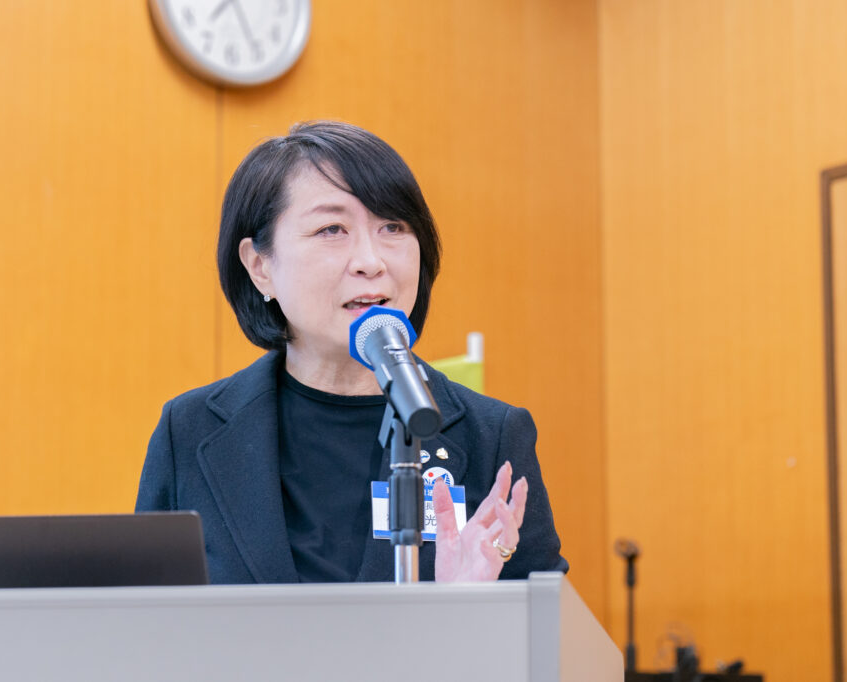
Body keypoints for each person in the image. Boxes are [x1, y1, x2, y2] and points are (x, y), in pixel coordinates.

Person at [136, 121, 567, 584]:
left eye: (392, 227)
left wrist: (466, 610)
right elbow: (142, 617)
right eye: (331, 229)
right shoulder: (189, 430)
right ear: (260, 266)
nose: (370, 261)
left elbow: (548, 624)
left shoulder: (492, 436)